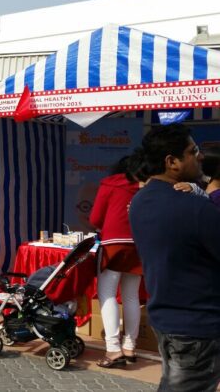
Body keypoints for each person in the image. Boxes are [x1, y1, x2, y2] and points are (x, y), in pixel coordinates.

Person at [129, 124, 220, 391]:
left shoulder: (140, 201)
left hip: (166, 319)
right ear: (172, 162)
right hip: (197, 326)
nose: (200, 156)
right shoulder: (195, 208)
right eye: (193, 151)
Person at [89, 156, 143, 368]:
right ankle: (130, 346)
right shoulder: (145, 187)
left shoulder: (109, 184)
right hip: (137, 245)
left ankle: (113, 349)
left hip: (112, 244)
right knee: (131, 296)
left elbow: (95, 218)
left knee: (107, 294)